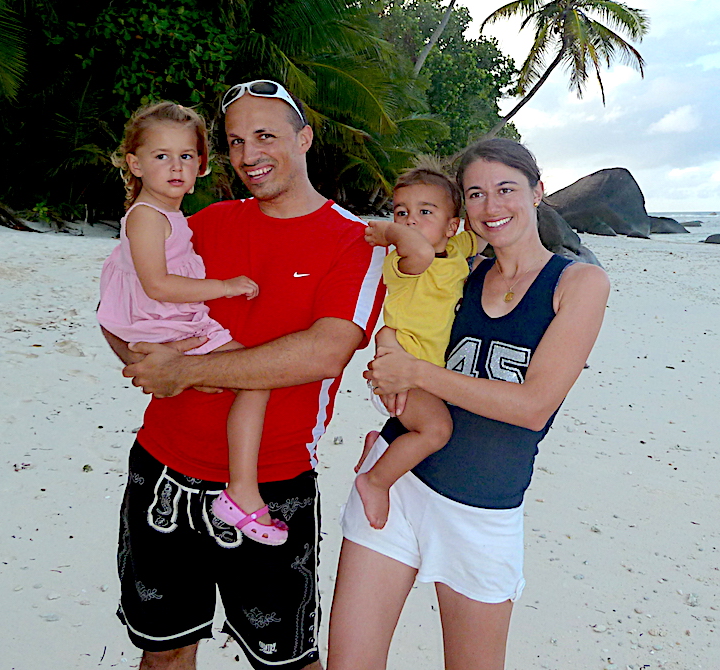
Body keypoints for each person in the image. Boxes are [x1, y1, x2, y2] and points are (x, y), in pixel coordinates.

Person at [104, 80, 384, 670]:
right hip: (163, 471)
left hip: (271, 487)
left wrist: (187, 368)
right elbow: (127, 297)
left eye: (265, 136)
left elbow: (324, 352)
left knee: (286, 663)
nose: (249, 154)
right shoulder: (206, 222)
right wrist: (138, 358)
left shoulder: (353, 242)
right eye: (235, 142)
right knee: (163, 655)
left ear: (304, 138)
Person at [327, 138, 610, 670]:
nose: (491, 206)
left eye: (506, 189)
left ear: (538, 192)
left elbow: (532, 407)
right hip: (398, 485)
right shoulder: (460, 270)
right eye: (476, 194)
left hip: (482, 511)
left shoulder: (577, 283)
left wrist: (414, 372)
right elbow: (403, 313)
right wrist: (389, 353)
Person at [97, 101, 286, 546]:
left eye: (186, 156)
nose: (175, 166)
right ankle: (241, 491)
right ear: (134, 163)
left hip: (170, 322)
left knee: (239, 377)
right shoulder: (146, 218)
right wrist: (225, 287)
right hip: (163, 321)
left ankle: (236, 481)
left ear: (200, 164)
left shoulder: (170, 216)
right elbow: (158, 285)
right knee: (254, 377)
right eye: (161, 156)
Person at [354, 164, 474, 529]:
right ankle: (375, 481)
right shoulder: (403, 262)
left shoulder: (456, 249)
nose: (410, 220)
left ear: (451, 226)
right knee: (437, 431)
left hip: (423, 373)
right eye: (401, 212)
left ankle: (378, 447)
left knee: (428, 425)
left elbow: (480, 236)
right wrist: (390, 232)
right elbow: (420, 252)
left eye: (425, 212)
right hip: (400, 375)